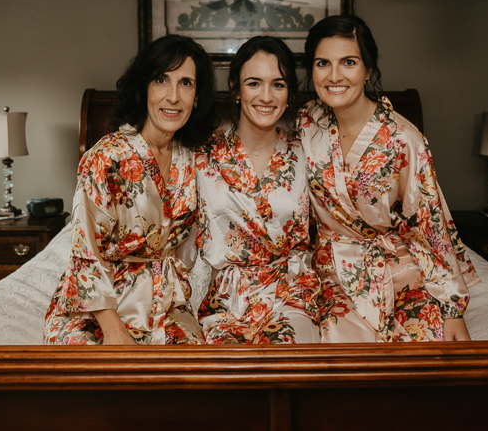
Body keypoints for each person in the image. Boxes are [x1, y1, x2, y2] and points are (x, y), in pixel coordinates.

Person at [296, 15, 480, 343]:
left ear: (368, 69)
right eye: (323, 63)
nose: (334, 76)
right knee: (343, 362)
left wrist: (453, 309)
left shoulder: (403, 138)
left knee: (423, 352)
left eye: (348, 62)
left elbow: (429, 224)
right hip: (333, 269)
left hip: (398, 268)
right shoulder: (307, 124)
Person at [44, 35, 218, 345]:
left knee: (194, 380)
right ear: (144, 87)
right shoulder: (105, 158)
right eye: (161, 80)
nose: (174, 97)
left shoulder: (195, 159)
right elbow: (86, 255)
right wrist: (114, 332)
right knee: (107, 381)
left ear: (198, 94)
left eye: (186, 83)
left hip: (167, 303)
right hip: (99, 309)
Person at [194, 36, 321, 344]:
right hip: (224, 300)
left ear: (289, 92)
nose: (266, 96)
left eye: (278, 84)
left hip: (291, 294)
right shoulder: (201, 156)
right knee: (227, 381)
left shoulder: (310, 153)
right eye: (254, 83)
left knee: (283, 361)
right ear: (236, 90)